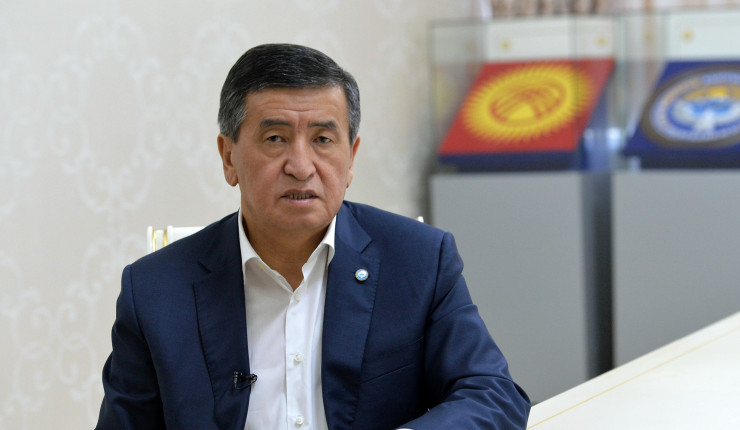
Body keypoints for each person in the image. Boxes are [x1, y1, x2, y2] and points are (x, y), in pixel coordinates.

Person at [95, 43, 530, 430]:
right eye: (275, 138)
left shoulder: (418, 260)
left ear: (351, 157)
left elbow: (493, 394)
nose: (301, 166)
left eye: (322, 139)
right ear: (229, 157)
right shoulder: (155, 290)